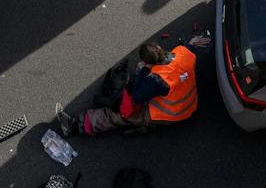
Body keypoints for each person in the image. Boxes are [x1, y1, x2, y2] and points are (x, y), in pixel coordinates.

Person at [72, 34, 209, 136]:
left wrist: (143, 71)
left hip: (173, 113)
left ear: (147, 63)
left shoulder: (159, 80)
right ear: (160, 49)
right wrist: (191, 43)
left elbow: (136, 98)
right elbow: (188, 48)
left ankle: (82, 124)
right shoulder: (184, 54)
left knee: (124, 113)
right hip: (189, 103)